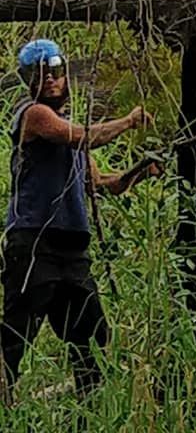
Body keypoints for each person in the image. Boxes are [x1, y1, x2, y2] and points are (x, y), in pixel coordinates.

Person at [0, 38, 159, 401]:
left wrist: (140, 172)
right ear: (29, 80)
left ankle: (86, 409)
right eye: (43, 75)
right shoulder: (34, 115)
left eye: (57, 72)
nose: (53, 81)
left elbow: (102, 184)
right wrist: (129, 121)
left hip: (72, 251)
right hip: (35, 243)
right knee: (16, 333)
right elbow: (83, 137)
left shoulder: (68, 131)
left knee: (91, 335)